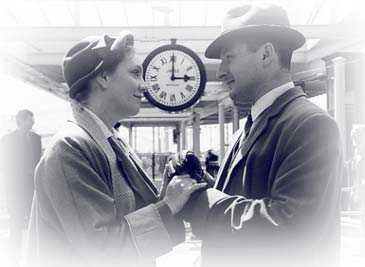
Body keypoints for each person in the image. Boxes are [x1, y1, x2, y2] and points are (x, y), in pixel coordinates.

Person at [24, 32, 206, 267]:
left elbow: (128, 216)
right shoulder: (70, 148)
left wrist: (168, 193)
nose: (145, 85)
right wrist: (168, 204)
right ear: (103, 77)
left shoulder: (110, 142)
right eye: (135, 73)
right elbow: (103, 250)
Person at [182, 3, 343, 267]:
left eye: (229, 57)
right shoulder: (244, 130)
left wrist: (202, 203)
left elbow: (290, 227)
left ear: (266, 54)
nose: (221, 71)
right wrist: (199, 185)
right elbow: (245, 196)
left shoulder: (312, 125)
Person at [0, 109, 42, 266]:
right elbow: (5, 165)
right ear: (21, 120)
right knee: (16, 225)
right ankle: (13, 260)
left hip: (32, 189)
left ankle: (34, 257)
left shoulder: (36, 139)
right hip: (16, 190)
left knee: (34, 224)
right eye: (30, 120)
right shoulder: (7, 140)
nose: (33, 122)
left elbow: (39, 161)